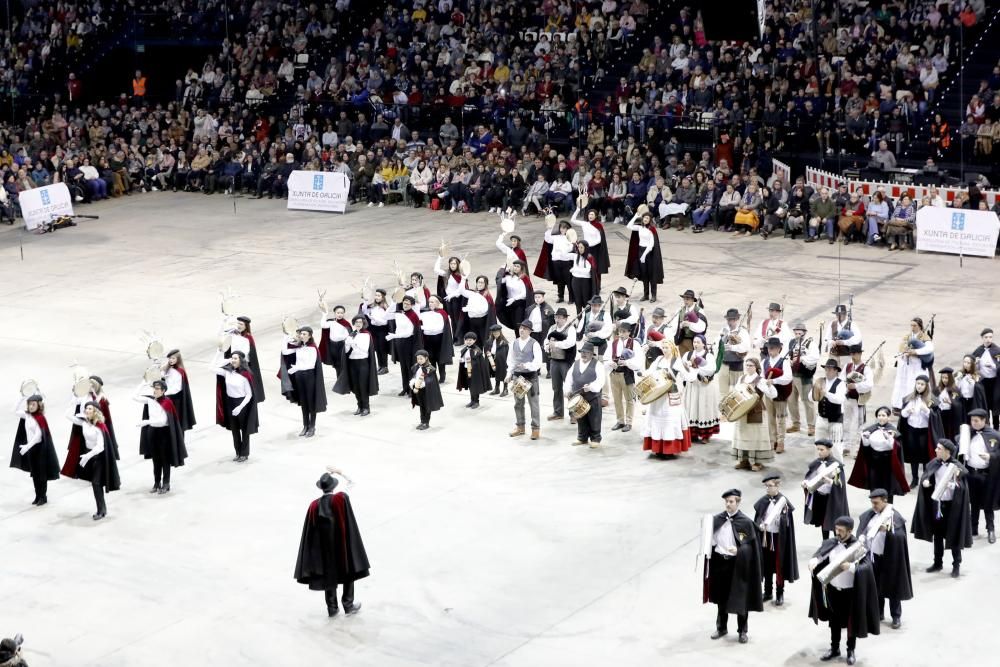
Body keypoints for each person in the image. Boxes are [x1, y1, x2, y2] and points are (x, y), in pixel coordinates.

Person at [294, 472, 369, 617]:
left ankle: (332, 608)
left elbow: (311, 531)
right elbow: (352, 483)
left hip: (324, 549)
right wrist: (339, 471)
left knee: (328, 575)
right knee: (348, 571)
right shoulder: (340, 498)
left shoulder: (314, 505)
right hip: (342, 545)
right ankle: (348, 605)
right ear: (333, 486)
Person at [807, 516, 880, 665]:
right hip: (833, 589)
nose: (837, 532)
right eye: (836, 529)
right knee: (834, 621)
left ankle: (850, 650)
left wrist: (852, 567)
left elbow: (867, 568)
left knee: (850, 622)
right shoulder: (832, 542)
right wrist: (814, 560)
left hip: (850, 592)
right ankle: (834, 648)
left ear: (850, 531)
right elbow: (822, 554)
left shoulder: (858, 546)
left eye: (841, 530)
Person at [705, 488, 764, 644]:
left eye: (731, 501)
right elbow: (709, 539)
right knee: (721, 598)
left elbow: (751, 547)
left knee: (741, 598)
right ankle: (721, 627)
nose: (728, 504)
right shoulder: (718, 519)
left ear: (738, 502)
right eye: (726, 501)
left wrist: (739, 550)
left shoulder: (744, 522)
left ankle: (742, 631)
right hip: (720, 563)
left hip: (737, 565)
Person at [911, 439, 973, 577]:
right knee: (937, 536)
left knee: (954, 535)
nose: (935, 450)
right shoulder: (934, 463)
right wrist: (925, 482)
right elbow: (927, 477)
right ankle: (937, 562)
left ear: (947, 451)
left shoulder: (957, 467)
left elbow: (962, 487)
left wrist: (954, 486)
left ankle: (956, 565)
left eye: (939, 448)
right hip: (937, 505)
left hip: (952, 506)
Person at [857, 489, 913, 630]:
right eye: (872, 503)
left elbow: (900, 537)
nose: (873, 506)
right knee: (876, 587)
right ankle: (879, 613)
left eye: (876, 503)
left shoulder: (894, 517)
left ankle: (896, 616)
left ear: (885, 500)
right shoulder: (871, 515)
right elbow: (863, 530)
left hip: (890, 558)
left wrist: (888, 531)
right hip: (873, 556)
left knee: (893, 587)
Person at [61, 401, 120, 520]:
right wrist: (73, 403)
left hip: (99, 457)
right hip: (88, 455)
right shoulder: (84, 423)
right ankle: (102, 509)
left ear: (95, 412)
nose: (87, 410)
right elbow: (67, 415)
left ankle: (101, 510)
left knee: (96, 483)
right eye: (86, 408)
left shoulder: (100, 426)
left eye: (90, 409)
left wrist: (88, 455)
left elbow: (100, 446)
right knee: (95, 483)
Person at [638, 333, 691, 458]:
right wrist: (641, 373)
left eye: (666, 347)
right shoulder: (658, 360)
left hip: (670, 396)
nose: (664, 349)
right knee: (656, 419)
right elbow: (650, 371)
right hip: (657, 395)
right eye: (663, 347)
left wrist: (690, 368)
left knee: (669, 422)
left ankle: (669, 450)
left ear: (672, 348)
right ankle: (658, 448)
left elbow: (688, 377)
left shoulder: (677, 362)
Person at [753, 473, 799, 607]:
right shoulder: (763, 501)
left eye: (770, 486)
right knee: (766, 564)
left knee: (779, 565)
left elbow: (788, 522)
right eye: (766, 486)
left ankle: (780, 593)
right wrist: (760, 525)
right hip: (766, 538)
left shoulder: (783, 502)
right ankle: (767, 592)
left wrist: (781, 520)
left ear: (778, 486)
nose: (767, 489)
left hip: (779, 539)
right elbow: (758, 518)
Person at [135, 380, 187, 495]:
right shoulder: (150, 400)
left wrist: (147, 421)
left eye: (157, 388)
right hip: (152, 432)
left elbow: (163, 420)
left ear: (163, 391)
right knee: (156, 460)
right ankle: (156, 483)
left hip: (164, 433)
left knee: (165, 460)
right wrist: (142, 384)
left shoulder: (167, 402)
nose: (154, 390)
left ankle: (166, 483)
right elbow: (134, 397)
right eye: (154, 388)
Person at [848, 406, 910, 503]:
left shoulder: (893, 431)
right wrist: (865, 438)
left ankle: (888, 508)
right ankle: (875, 505)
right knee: (874, 485)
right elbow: (866, 446)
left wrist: (890, 438)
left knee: (887, 487)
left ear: (888, 417)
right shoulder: (871, 429)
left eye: (883, 415)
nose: (881, 417)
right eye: (879, 415)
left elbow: (895, 448)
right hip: (874, 463)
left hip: (888, 464)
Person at [10, 393, 60, 506]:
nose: (31, 406)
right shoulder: (27, 415)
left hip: (40, 449)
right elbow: (14, 410)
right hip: (31, 449)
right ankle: (37, 495)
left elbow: (38, 437)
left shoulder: (40, 418)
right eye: (29, 404)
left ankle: (43, 496)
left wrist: (27, 446)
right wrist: (22, 397)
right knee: (35, 474)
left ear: (39, 405)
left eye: (33, 404)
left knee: (41, 474)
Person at [961, 408, 1000, 543]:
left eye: (977, 421)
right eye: (972, 420)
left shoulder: (994, 435)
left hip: (986, 475)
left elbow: (999, 453)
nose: (974, 423)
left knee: (988, 504)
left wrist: (990, 456)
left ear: (985, 420)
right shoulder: (968, 434)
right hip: (971, 473)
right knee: (974, 503)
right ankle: (973, 529)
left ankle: (990, 529)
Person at [898, 374, 944, 487]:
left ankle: (926, 478)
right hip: (911, 430)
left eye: (922, 384)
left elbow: (935, 418)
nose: (919, 386)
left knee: (925, 456)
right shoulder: (909, 398)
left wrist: (927, 411)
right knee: (914, 455)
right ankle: (914, 479)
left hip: (924, 431)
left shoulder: (932, 400)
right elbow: (902, 415)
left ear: (926, 386)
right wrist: (907, 411)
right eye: (918, 384)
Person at [280, 326, 328, 437]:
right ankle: (305, 425)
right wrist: (286, 336)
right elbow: (285, 351)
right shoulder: (299, 346)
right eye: (301, 334)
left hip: (309, 376)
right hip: (299, 376)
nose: (302, 336)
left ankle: (312, 426)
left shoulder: (312, 348)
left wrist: (297, 368)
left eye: (304, 334)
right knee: (303, 402)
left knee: (311, 402)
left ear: (310, 335)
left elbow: (311, 365)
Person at [732, 358, 777, 471]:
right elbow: (736, 392)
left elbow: (773, 395)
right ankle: (744, 460)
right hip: (742, 410)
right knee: (743, 435)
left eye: (751, 365)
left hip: (756, 411)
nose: (748, 367)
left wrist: (769, 385)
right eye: (746, 365)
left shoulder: (760, 380)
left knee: (756, 437)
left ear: (756, 367)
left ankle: (756, 462)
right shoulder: (741, 378)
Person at [213, 351, 259, 462]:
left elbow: (249, 394)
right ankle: (238, 452)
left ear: (241, 360)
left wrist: (240, 407)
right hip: (230, 402)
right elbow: (212, 367)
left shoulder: (245, 374)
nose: (233, 360)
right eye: (232, 358)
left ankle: (245, 453)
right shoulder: (227, 372)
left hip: (242, 403)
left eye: (235, 358)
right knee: (234, 430)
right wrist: (220, 352)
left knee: (245, 430)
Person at [332, 315, 379, 416]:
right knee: (355, 386)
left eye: (360, 322)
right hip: (352, 363)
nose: (358, 324)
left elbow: (364, 349)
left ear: (363, 323)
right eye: (356, 322)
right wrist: (347, 344)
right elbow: (347, 351)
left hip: (363, 363)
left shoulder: (366, 334)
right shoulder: (351, 334)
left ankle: (366, 407)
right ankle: (359, 406)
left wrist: (352, 343)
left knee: (363, 385)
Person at [803, 439, 850, 540]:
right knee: (823, 522)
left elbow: (840, 485)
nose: (819, 452)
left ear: (829, 450)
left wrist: (830, 481)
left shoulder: (836, 465)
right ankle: (825, 542)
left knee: (834, 521)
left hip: (832, 498)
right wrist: (806, 483)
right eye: (818, 449)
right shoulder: (816, 463)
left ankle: (837, 542)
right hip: (820, 497)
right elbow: (810, 477)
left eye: (822, 449)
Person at [507, 320, 545, 440]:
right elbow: (511, 360)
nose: (522, 330)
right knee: (518, 403)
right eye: (521, 328)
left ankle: (535, 429)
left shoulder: (534, 344)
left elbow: (538, 362)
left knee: (534, 404)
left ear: (529, 331)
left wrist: (527, 365)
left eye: (525, 328)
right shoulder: (514, 343)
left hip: (530, 378)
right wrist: (509, 373)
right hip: (518, 377)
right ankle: (520, 427)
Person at [564, 342, 606, 447]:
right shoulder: (576, 363)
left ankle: (595, 438)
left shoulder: (598, 365)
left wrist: (591, 387)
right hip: (578, 397)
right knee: (581, 418)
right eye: (582, 352)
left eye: (587, 352)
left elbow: (601, 380)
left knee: (594, 418)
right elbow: (569, 378)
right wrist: (567, 389)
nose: (584, 354)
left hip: (593, 397)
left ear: (592, 354)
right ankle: (582, 438)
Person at [680, 334, 720, 443]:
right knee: (692, 407)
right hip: (692, 386)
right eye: (694, 342)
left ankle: (705, 435)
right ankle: (692, 434)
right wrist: (687, 369)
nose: (695, 344)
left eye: (698, 342)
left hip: (704, 387)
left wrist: (698, 365)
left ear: (704, 344)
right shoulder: (688, 355)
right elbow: (682, 369)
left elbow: (712, 369)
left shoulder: (709, 356)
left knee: (704, 408)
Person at [891, 318, 935, 410]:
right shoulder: (907, 337)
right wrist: (905, 353)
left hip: (918, 364)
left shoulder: (924, 337)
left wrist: (915, 352)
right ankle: (901, 404)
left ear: (920, 326)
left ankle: (918, 404)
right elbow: (901, 348)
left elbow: (929, 349)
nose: (912, 327)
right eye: (911, 325)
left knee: (915, 383)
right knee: (904, 384)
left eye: (914, 325)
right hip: (907, 365)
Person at [221, 315, 266, 402]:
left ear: (246, 327)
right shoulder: (233, 334)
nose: (239, 326)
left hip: (243, 364)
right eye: (238, 323)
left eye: (241, 324)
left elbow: (248, 355)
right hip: (233, 362)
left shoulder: (248, 337)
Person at [545, 308, 578, 422]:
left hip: (566, 361)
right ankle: (558, 412)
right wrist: (547, 346)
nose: (557, 319)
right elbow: (546, 340)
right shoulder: (552, 328)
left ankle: (573, 413)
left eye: (559, 317)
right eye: (556, 317)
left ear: (565, 318)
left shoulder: (571, 329)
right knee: (556, 388)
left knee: (569, 388)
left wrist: (556, 344)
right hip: (554, 360)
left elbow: (570, 343)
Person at [624, 208, 663, 302]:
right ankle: (646, 294)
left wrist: (644, 255)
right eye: (644, 218)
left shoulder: (651, 229)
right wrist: (635, 216)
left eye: (647, 218)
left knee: (651, 274)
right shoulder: (640, 227)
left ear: (650, 220)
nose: (645, 220)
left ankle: (653, 295)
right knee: (644, 274)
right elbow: (629, 226)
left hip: (649, 253)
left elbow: (651, 244)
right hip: (640, 250)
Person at [608, 322, 641, 433]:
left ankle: (629, 422)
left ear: (629, 332)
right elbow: (607, 358)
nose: (621, 334)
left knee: (629, 399)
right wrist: (610, 363)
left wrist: (627, 362)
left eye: (623, 332)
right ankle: (620, 420)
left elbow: (638, 361)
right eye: (619, 332)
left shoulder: (634, 344)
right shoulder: (614, 343)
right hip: (614, 374)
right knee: (617, 399)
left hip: (627, 374)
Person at [762, 337, 793, 454]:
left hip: (780, 394)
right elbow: (761, 376)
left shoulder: (784, 361)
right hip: (768, 395)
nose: (770, 350)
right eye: (769, 348)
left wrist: (774, 381)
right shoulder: (764, 362)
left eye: (773, 348)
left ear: (779, 349)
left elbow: (788, 378)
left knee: (780, 419)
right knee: (770, 418)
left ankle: (780, 441)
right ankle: (772, 439)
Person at [386, 295, 422, 396]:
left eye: (408, 304)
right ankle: (405, 388)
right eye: (404, 303)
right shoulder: (399, 313)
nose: (405, 305)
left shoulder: (413, 316)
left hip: (409, 343)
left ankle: (412, 389)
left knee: (410, 365)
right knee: (403, 366)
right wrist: (393, 303)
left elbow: (409, 333)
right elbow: (386, 316)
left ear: (412, 305)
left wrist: (394, 336)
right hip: (399, 342)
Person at [841, 345, 873, 457]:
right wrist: (845, 387)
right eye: (851, 354)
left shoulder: (866, 368)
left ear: (860, 354)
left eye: (855, 354)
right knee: (845, 423)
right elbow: (841, 379)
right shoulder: (847, 366)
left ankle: (858, 450)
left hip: (859, 400)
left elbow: (869, 385)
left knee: (860, 425)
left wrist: (855, 386)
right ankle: (846, 447)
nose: (853, 356)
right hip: (848, 399)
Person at [788, 322, 819, 436]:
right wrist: (790, 361)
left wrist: (800, 359)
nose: (797, 334)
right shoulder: (792, 343)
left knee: (807, 401)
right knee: (791, 401)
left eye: (799, 333)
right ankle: (795, 424)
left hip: (804, 376)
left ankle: (811, 426)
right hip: (792, 375)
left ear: (804, 333)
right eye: (796, 332)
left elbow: (815, 357)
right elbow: (787, 355)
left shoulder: (810, 344)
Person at [814, 359, 847, 460]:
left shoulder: (841, 384)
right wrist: (815, 391)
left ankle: (838, 469)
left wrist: (826, 393)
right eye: (826, 369)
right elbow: (811, 397)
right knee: (819, 445)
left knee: (836, 447)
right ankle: (819, 468)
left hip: (835, 420)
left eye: (830, 369)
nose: (827, 371)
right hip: (821, 418)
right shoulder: (820, 381)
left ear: (836, 370)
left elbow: (839, 399)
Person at [419, 295, 455, 383]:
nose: (430, 303)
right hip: (428, 339)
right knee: (430, 358)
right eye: (429, 302)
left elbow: (439, 327)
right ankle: (432, 375)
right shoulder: (426, 313)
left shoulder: (442, 313)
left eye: (432, 302)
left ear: (437, 303)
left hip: (439, 339)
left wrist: (423, 327)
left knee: (439, 358)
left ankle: (442, 375)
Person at [434, 254, 469, 341]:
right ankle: (455, 337)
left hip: (457, 299)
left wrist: (451, 295)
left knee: (458, 319)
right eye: (451, 264)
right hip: (448, 299)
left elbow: (461, 289)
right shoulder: (447, 273)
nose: (452, 265)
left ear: (458, 265)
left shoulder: (460, 275)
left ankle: (460, 338)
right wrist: (440, 257)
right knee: (452, 319)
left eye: (454, 264)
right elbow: (436, 269)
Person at [717, 307, 750, 398]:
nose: (730, 322)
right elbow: (717, 344)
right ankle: (724, 411)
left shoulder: (742, 331)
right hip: (724, 363)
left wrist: (732, 347)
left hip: (737, 363)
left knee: (738, 391)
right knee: (723, 391)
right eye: (728, 319)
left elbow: (746, 347)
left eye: (732, 319)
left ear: (737, 319)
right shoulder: (723, 330)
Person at [972, 328, 1000, 428]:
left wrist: (993, 366)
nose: (988, 339)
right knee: (985, 404)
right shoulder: (978, 351)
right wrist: (977, 364)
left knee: (995, 404)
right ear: (982, 338)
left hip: (995, 382)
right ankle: (986, 426)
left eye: (990, 337)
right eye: (986, 337)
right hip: (983, 382)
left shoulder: (997, 350)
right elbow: (972, 367)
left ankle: (996, 426)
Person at [162, 349, 196, 431]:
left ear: (178, 359)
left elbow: (177, 389)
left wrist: (164, 394)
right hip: (167, 398)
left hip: (175, 401)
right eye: (170, 358)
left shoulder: (179, 372)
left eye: (173, 358)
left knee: (176, 424)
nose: (171, 360)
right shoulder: (167, 369)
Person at [361, 289, 393, 375]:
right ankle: (380, 366)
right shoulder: (373, 306)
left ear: (383, 297)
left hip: (382, 330)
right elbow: (364, 310)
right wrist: (365, 300)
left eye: (379, 296)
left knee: (383, 348)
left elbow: (385, 322)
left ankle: (385, 366)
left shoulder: (385, 307)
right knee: (377, 348)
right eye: (376, 295)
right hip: (374, 329)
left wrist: (373, 318)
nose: (377, 297)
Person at [410, 350, 444, 430]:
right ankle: (422, 421)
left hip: (427, 390)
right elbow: (415, 376)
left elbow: (430, 380)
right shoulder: (416, 366)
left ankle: (426, 422)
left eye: (421, 359)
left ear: (426, 358)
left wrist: (422, 384)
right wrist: (413, 382)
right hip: (419, 390)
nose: (419, 360)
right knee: (422, 406)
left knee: (427, 406)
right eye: (418, 359)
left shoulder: (430, 368)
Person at [456, 332, 491, 409]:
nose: (468, 341)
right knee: (470, 386)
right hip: (466, 370)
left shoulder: (477, 351)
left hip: (475, 372)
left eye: (470, 340)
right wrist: (462, 360)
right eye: (467, 340)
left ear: (474, 340)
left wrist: (472, 363)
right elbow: (464, 358)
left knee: (475, 386)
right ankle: (472, 400)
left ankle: (476, 401)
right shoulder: (464, 349)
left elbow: (479, 362)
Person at [495, 260, 533, 330]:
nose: (515, 268)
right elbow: (499, 281)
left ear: (521, 268)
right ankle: (517, 338)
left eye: (518, 266)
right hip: (509, 303)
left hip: (519, 304)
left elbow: (525, 293)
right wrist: (503, 270)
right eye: (514, 266)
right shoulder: (508, 276)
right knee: (513, 323)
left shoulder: (524, 278)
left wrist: (514, 299)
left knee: (519, 323)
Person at [318, 304, 351, 382]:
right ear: (335, 313)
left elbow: (349, 335)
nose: (340, 314)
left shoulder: (346, 324)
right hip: (333, 345)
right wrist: (324, 315)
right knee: (336, 363)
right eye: (338, 313)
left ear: (344, 313)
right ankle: (339, 379)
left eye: (341, 313)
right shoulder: (331, 322)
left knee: (343, 363)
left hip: (342, 345)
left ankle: (345, 380)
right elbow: (323, 325)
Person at [568, 240, 600, 313]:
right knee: (577, 301)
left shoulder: (589, 257)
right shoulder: (576, 256)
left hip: (585, 282)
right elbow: (564, 255)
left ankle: (587, 319)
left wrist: (575, 270)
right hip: (575, 281)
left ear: (586, 248)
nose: (580, 249)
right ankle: (579, 320)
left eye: (581, 247)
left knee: (586, 301)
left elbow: (587, 271)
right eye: (578, 247)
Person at [672, 289, 707, 355]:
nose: (685, 301)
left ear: (692, 300)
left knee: (693, 361)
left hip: (694, 341)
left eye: (687, 299)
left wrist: (689, 325)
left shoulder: (699, 311)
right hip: (681, 340)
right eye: (684, 299)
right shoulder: (680, 310)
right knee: (683, 361)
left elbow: (702, 327)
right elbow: (673, 325)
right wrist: (680, 325)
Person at [486, 324, 509, 396]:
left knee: (503, 374)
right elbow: (488, 349)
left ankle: (505, 389)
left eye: (497, 332)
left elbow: (506, 353)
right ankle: (497, 388)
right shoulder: (490, 341)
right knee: (496, 374)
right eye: (494, 332)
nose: (495, 333)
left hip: (502, 361)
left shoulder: (504, 342)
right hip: (492, 359)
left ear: (500, 332)